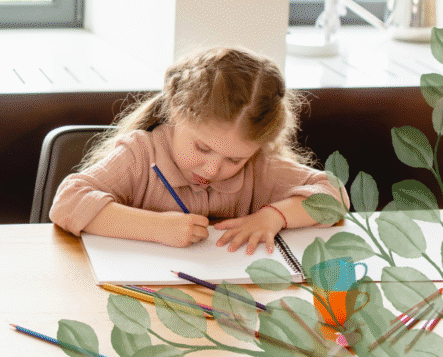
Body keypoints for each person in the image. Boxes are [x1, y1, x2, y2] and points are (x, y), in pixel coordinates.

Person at [49, 46, 349, 255]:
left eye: (234, 159)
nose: (212, 170)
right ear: (176, 111)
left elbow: (334, 196)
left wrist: (273, 217)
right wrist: (156, 228)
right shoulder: (141, 154)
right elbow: (68, 202)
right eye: (202, 147)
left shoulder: (259, 166)